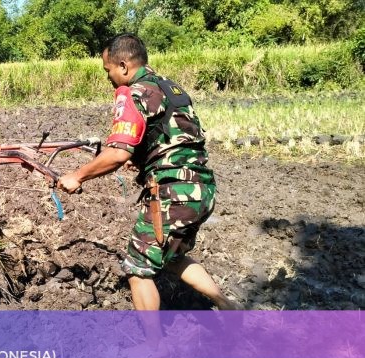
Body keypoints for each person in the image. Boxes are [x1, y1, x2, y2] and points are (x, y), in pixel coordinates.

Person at [57, 33, 240, 314]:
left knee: (137, 270)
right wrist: (143, 160)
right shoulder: (172, 89)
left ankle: (153, 350)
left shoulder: (134, 92)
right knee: (172, 257)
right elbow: (173, 138)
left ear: (123, 65)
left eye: (108, 71)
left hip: (172, 193)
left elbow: (117, 153)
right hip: (201, 189)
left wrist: (77, 176)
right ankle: (230, 308)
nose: (108, 78)